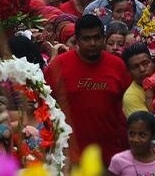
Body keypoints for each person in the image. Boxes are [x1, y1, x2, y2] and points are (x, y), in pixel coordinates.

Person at [44, 14, 131, 165]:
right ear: (77, 40)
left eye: (97, 38)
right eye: (86, 39)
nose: (93, 43)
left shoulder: (118, 66)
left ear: (104, 38)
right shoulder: (58, 66)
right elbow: (44, 107)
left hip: (111, 156)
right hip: (71, 158)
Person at [109, 111, 155, 176]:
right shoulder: (118, 160)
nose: (135, 139)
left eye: (142, 135)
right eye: (131, 134)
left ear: (154, 135)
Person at [122, 42, 155, 117]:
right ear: (128, 72)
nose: (142, 69)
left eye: (146, 63)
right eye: (135, 67)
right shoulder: (131, 97)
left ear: (153, 62)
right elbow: (148, 127)